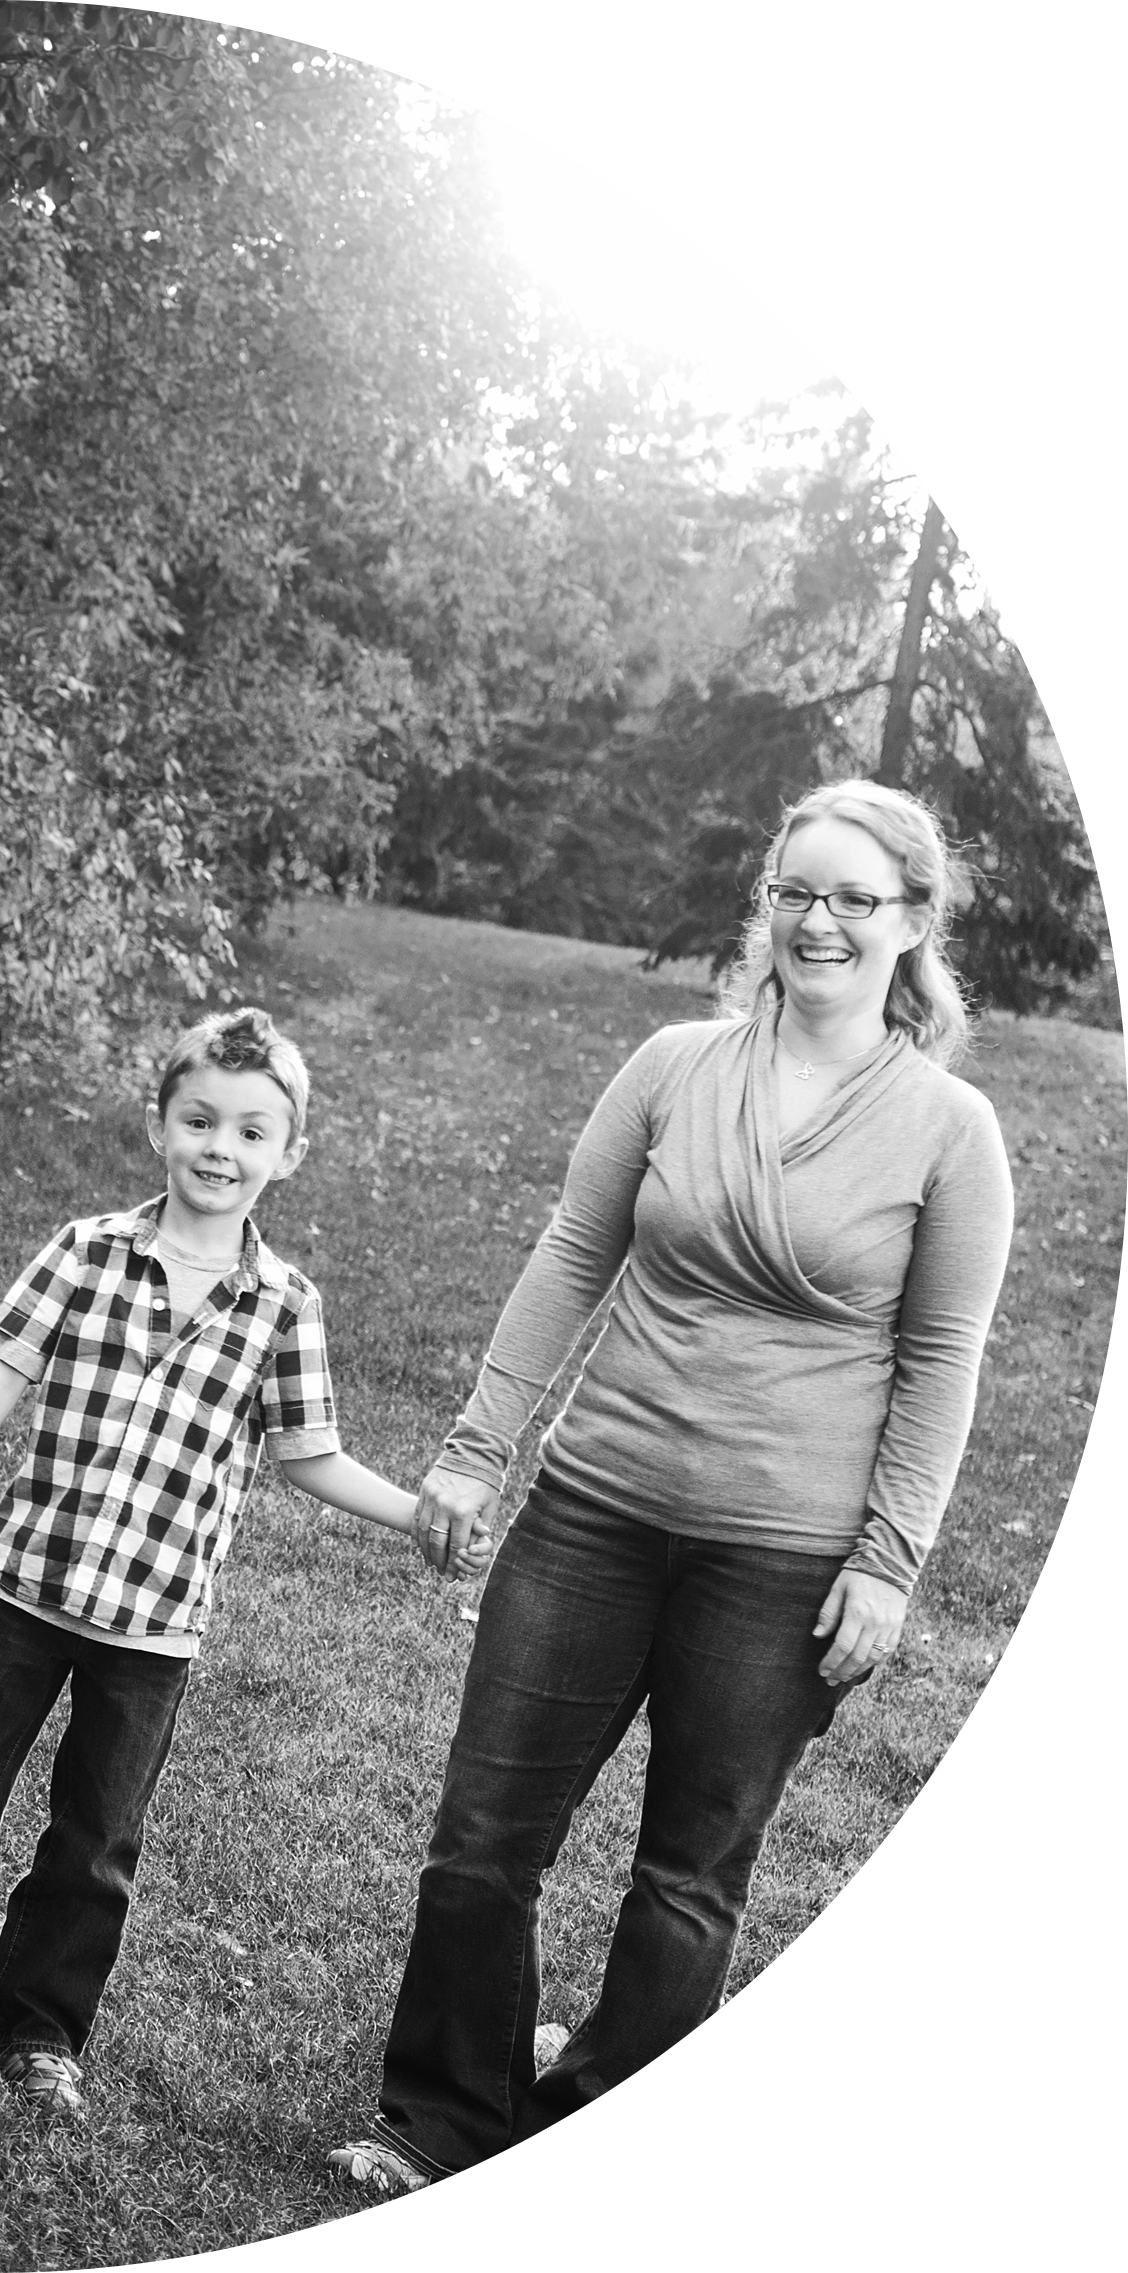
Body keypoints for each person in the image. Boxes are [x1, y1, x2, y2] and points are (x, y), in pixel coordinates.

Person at [329, 780, 1015, 2254]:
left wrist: (888, 1560)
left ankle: (578, 2165)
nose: (817, 922)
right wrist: (475, 1446)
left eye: (851, 898)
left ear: (909, 924)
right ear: (764, 906)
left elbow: (939, 1360)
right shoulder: (672, 1064)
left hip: (779, 1558)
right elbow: (571, 1252)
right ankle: (439, 2115)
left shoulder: (948, 1130)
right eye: (793, 892)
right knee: (480, 1837)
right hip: (591, 1507)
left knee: (687, 1876)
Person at [0, 1007, 491, 2113]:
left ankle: (40, 2032)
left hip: (152, 1624)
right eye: (199, 1120)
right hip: (25, 1588)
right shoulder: (85, 1249)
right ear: (157, 1125)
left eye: (249, 1132)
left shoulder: (284, 1304)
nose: (218, 1148)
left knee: (95, 1843)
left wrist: (415, 1516)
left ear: (289, 1153)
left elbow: (310, 1455)